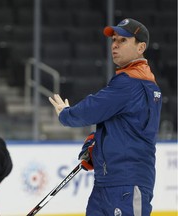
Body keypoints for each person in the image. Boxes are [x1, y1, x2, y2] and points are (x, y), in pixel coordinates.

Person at [49, 18, 162, 216]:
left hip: (126, 185)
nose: (115, 44)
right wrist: (96, 147)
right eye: (114, 40)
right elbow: (122, 126)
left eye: (123, 40)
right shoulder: (139, 82)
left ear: (141, 47)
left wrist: (66, 115)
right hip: (109, 183)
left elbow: (91, 109)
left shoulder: (131, 82)